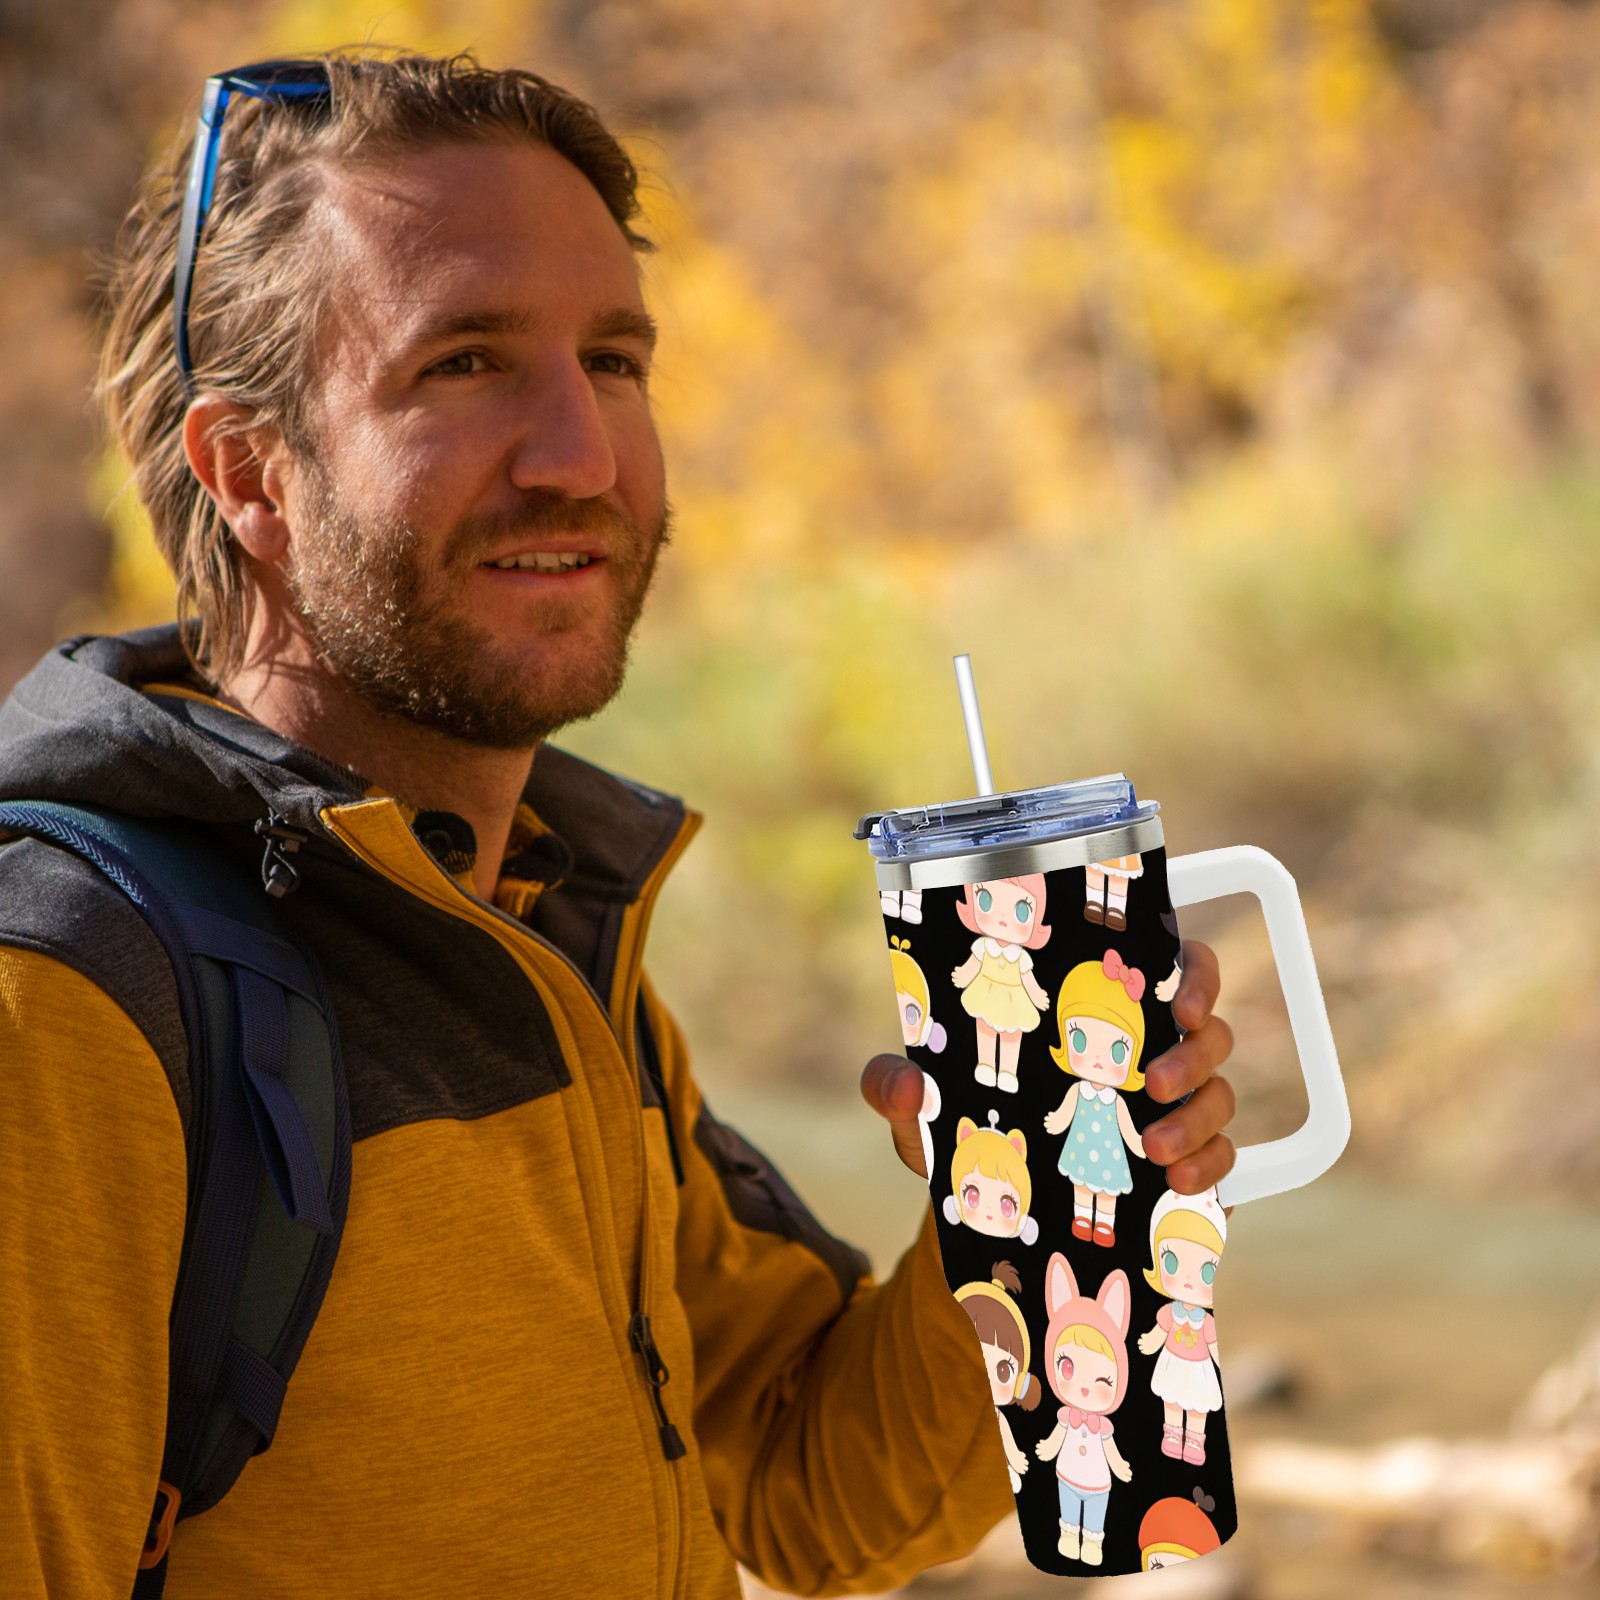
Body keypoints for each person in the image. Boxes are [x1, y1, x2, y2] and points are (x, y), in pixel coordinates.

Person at [0, 51, 1239, 1597]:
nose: (581, 455)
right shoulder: (70, 998)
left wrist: (1038, 1212)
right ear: (250, 473)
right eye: (463, 363)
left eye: (614, 360)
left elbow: (806, 1490)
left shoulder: (541, 923)